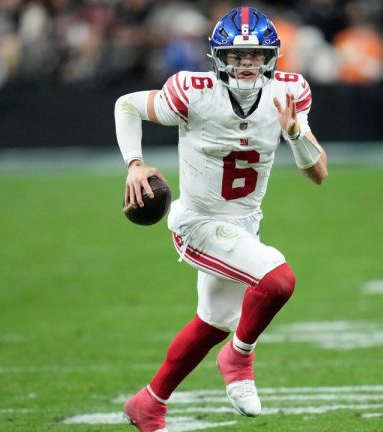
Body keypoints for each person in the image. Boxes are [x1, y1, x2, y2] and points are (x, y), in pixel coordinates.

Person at [113, 6, 328, 432]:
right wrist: (135, 163)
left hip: (245, 223)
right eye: (236, 56)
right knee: (277, 280)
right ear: (219, 57)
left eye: (254, 55)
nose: (246, 64)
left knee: (211, 324)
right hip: (198, 224)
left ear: (270, 56)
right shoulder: (192, 91)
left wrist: (295, 133)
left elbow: (317, 173)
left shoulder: (288, 92)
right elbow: (126, 105)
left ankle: (148, 403)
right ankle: (239, 357)